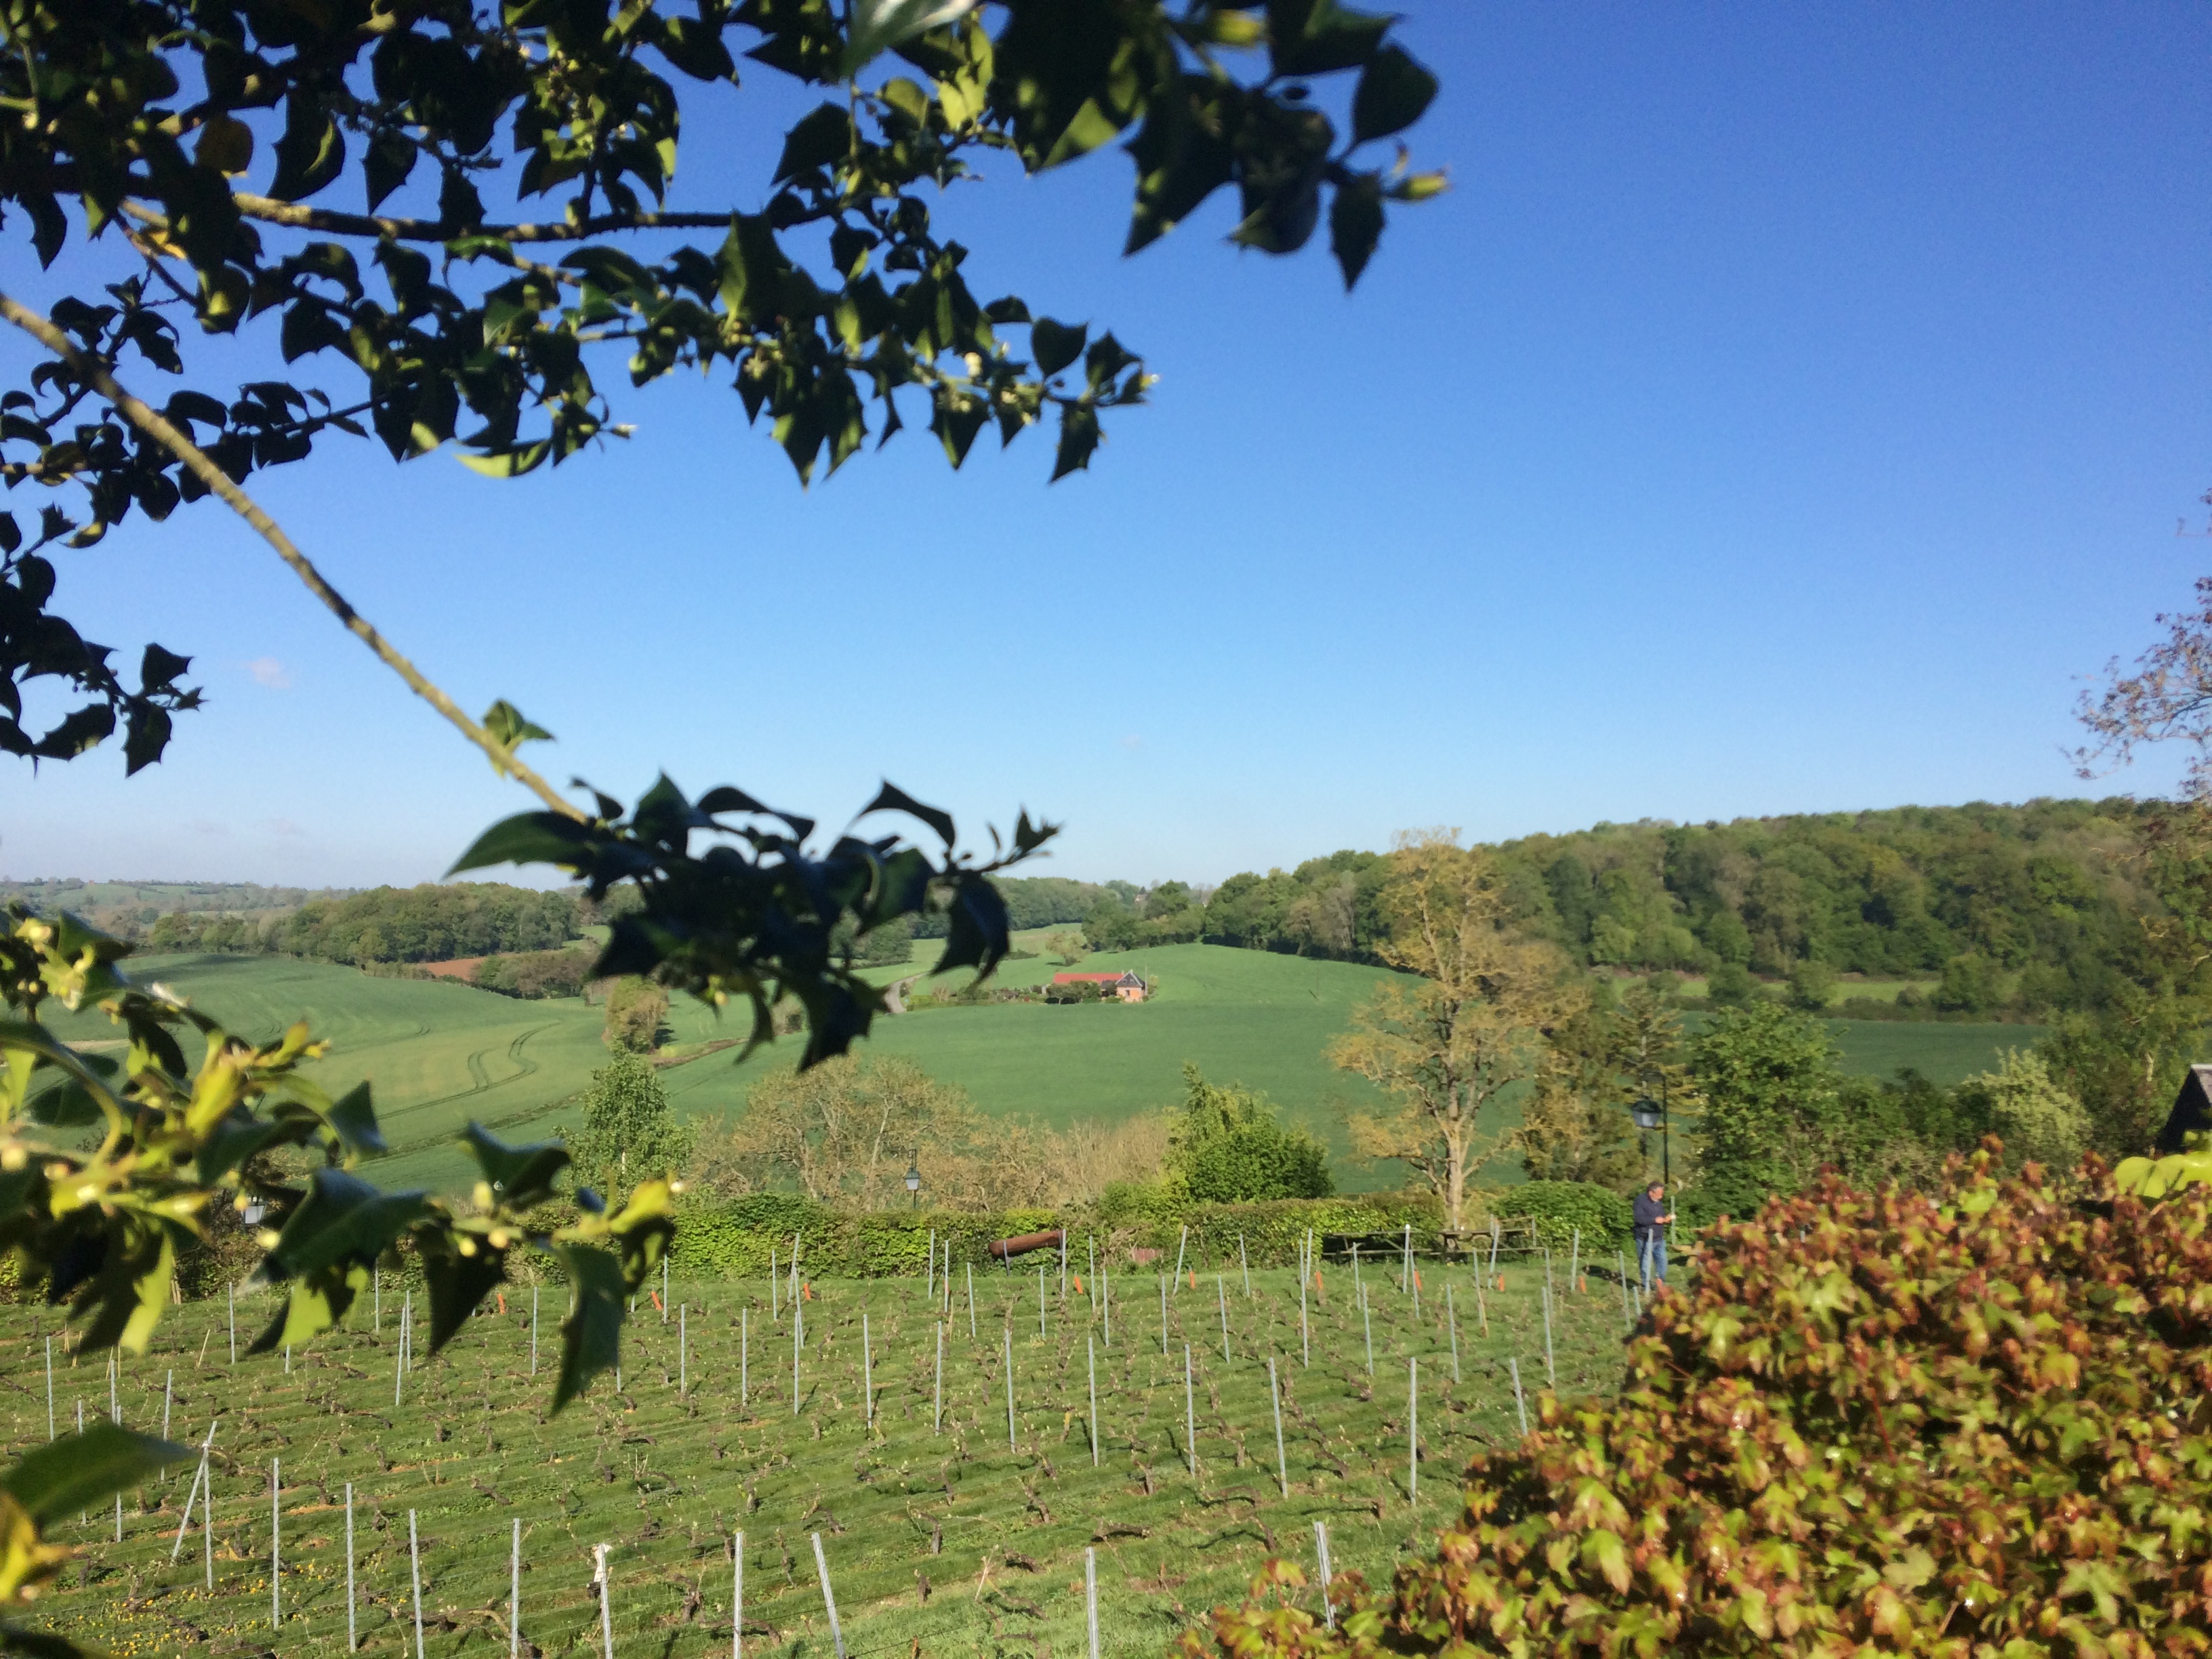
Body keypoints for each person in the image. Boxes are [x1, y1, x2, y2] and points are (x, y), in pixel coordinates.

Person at [1633, 1180, 1673, 1290]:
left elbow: (1661, 1218)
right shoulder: (1640, 1201)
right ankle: (1646, 1286)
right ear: (1651, 1192)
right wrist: (1654, 1220)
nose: (1661, 1197)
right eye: (1659, 1194)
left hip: (1659, 1238)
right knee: (1645, 1262)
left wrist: (1666, 1219)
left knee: (1663, 1261)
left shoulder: (1658, 1203)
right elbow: (1639, 1219)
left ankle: (1659, 1283)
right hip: (1645, 1238)